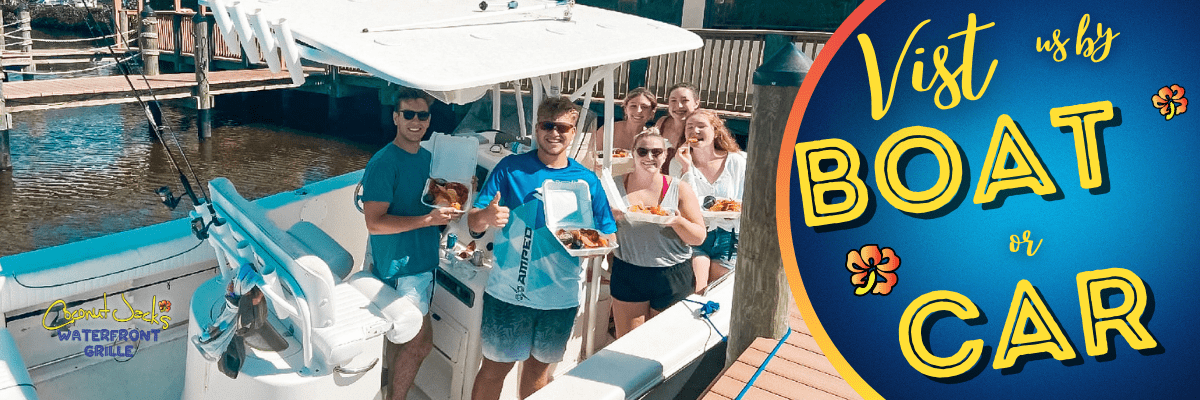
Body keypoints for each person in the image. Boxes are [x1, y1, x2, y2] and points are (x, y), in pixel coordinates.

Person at [468, 96, 618, 400]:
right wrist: (487, 216)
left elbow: (609, 236)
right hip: (509, 294)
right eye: (548, 125)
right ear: (537, 129)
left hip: (560, 299)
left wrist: (596, 246)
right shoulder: (510, 168)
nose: (555, 133)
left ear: (573, 132)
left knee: (538, 374)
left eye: (563, 127)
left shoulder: (587, 180)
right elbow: (474, 222)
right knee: (494, 370)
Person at [361, 87, 461, 400]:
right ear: (395, 117)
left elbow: (426, 205)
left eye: (422, 115)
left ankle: (390, 392)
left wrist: (449, 209)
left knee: (401, 338)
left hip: (422, 262)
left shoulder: (428, 159)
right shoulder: (382, 163)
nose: (416, 121)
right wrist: (427, 221)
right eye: (408, 114)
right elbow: (374, 223)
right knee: (419, 344)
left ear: (429, 119)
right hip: (402, 269)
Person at [609, 128, 707, 338]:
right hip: (629, 271)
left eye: (656, 152)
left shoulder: (679, 189)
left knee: (664, 342)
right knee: (627, 343)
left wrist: (678, 221)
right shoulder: (615, 186)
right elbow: (600, 232)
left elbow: (699, 237)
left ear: (665, 155)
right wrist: (607, 220)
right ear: (633, 153)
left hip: (672, 275)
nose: (649, 157)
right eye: (642, 152)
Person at [674, 109, 745, 292]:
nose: (694, 131)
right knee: (695, 292)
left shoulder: (737, 161)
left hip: (729, 235)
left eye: (701, 126)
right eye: (689, 127)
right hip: (695, 234)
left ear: (715, 132)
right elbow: (683, 203)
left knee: (718, 294)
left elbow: (749, 200)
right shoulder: (679, 163)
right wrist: (686, 168)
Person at [584, 88, 658, 174]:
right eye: (633, 106)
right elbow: (588, 157)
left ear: (652, 112)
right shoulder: (608, 129)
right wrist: (592, 161)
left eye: (644, 107)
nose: (638, 111)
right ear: (625, 109)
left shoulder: (652, 138)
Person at [654, 82, 700, 175]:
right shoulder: (662, 122)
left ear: (696, 103)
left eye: (684, 100)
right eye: (673, 100)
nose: (679, 106)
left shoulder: (700, 129)